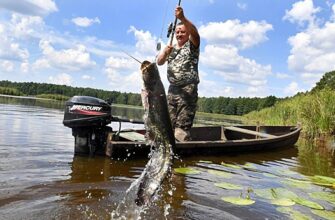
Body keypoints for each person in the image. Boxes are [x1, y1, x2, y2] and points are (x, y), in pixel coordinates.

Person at [157, 6, 200, 141]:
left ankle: (182, 153)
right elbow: (159, 62)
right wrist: (165, 52)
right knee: (168, 125)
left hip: (187, 90)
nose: (179, 34)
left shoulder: (192, 44)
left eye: (182, 32)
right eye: (177, 32)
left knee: (181, 128)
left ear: (187, 33)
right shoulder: (172, 48)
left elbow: (195, 33)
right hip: (172, 90)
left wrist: (182, 18)